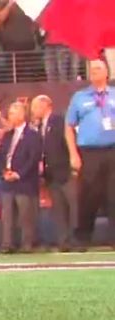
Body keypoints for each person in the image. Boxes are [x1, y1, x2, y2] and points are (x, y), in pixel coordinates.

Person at [65, 59, 115, 249]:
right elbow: (69, 127)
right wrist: (73, 154)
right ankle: (82, 238)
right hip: (89, 152)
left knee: (114, 195)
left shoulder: (114, 94)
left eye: (98, 69)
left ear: (106, 73)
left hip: (112, 151)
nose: (94, 72)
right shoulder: (80, 97)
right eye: (92, 70)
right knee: (87, 196)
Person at [0, 101, 42, 253]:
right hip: (7, 181)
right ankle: (7, 244)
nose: (10, 116)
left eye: (13, 113)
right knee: (7, 216)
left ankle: (27, 244)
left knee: (25, 215)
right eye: (9, 113)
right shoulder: (7, 136)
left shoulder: (33, 135)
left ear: (22, 114)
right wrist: (4, 172)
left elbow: (33, 158)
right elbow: (1, 156)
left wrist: (19, 173)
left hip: (24, 182)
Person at [31, 95, 75, 251]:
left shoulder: (58, 121)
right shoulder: (39, 126)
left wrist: (73, 161)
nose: (33, 110)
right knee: (59, 209)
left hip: (65, 170)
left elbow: (68, 141)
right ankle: (63, 241)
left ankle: (75, 240)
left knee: (73, 205)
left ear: (45, 105)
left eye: (35, 106)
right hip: (50, 174)